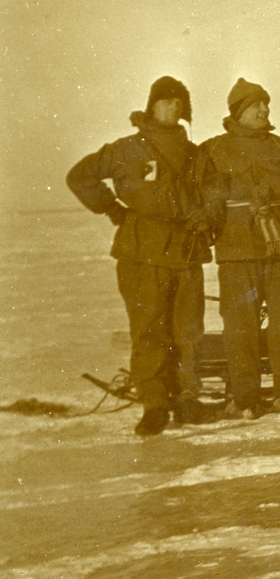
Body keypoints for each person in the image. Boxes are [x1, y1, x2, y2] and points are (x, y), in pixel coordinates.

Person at [66, 76, 219, 435]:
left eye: (180, 102)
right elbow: (80, 176)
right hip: (143, 253)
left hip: (186, 252)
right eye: (166, 101)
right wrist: (112, 208)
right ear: (151, 107)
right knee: (149, 331)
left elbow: (215, 193)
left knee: (188, 332)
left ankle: (186, 400)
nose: (174, 108)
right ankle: (154, 404)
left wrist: (208, 215)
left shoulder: (196, 155)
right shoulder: (127, 149)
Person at [200, 78, 280, 417]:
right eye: (255, 105)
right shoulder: (211, 151)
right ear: (237, 111)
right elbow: (205, 200)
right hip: (236, 250)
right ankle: (245, 399)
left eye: (265, 103)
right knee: (240, 326)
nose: (264, 110)